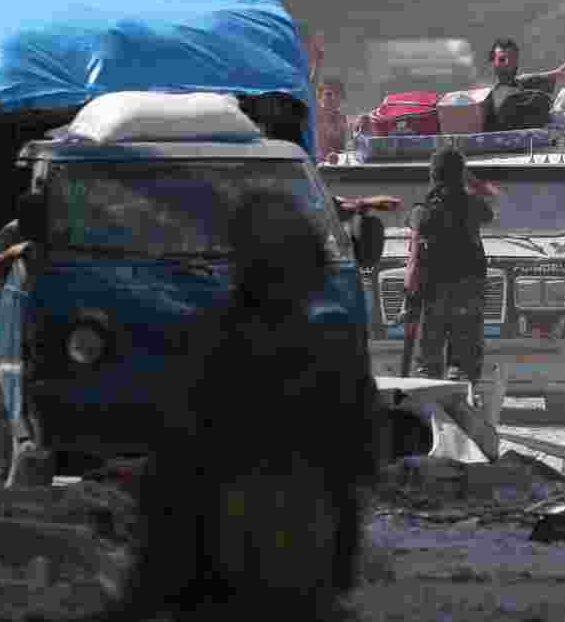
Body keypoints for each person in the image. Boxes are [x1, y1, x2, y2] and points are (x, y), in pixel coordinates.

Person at [101, 189, 384, 621]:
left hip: (216, 577)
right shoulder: (332, 355)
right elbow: (358, 469)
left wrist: (145, 594)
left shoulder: (208, 346)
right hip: (296, 576)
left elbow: (170, 483)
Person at [408, 147, 494, 383]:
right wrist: (470, 182)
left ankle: (432, 410)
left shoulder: (422, 211)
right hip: (469, 290)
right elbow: (492, 202)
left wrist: (409, 291)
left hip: (434, 294)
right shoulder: (474, 206)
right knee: (464, 363)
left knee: (427, 364)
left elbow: (414, 258)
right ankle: (464, 405)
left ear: (433, 175)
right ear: (461, 174)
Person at [316, 77, 350, 164]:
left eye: (337, 94)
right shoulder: (315, 116)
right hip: (318, 163)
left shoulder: (341, 118)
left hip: (336, 163)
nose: (332, 98)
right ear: (320, 97)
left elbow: (342, 146)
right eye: (328, 94)